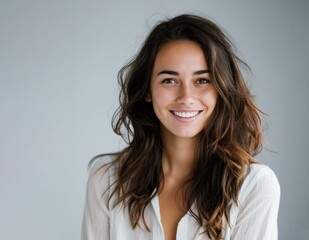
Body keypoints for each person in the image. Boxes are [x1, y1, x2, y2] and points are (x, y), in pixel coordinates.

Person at [81, 14, 280, 240]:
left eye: (202, 80)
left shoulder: (254, 186)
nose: (186, 97)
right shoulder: (106, 179)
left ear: (221, 89)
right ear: (147, 90)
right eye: (169, 80)